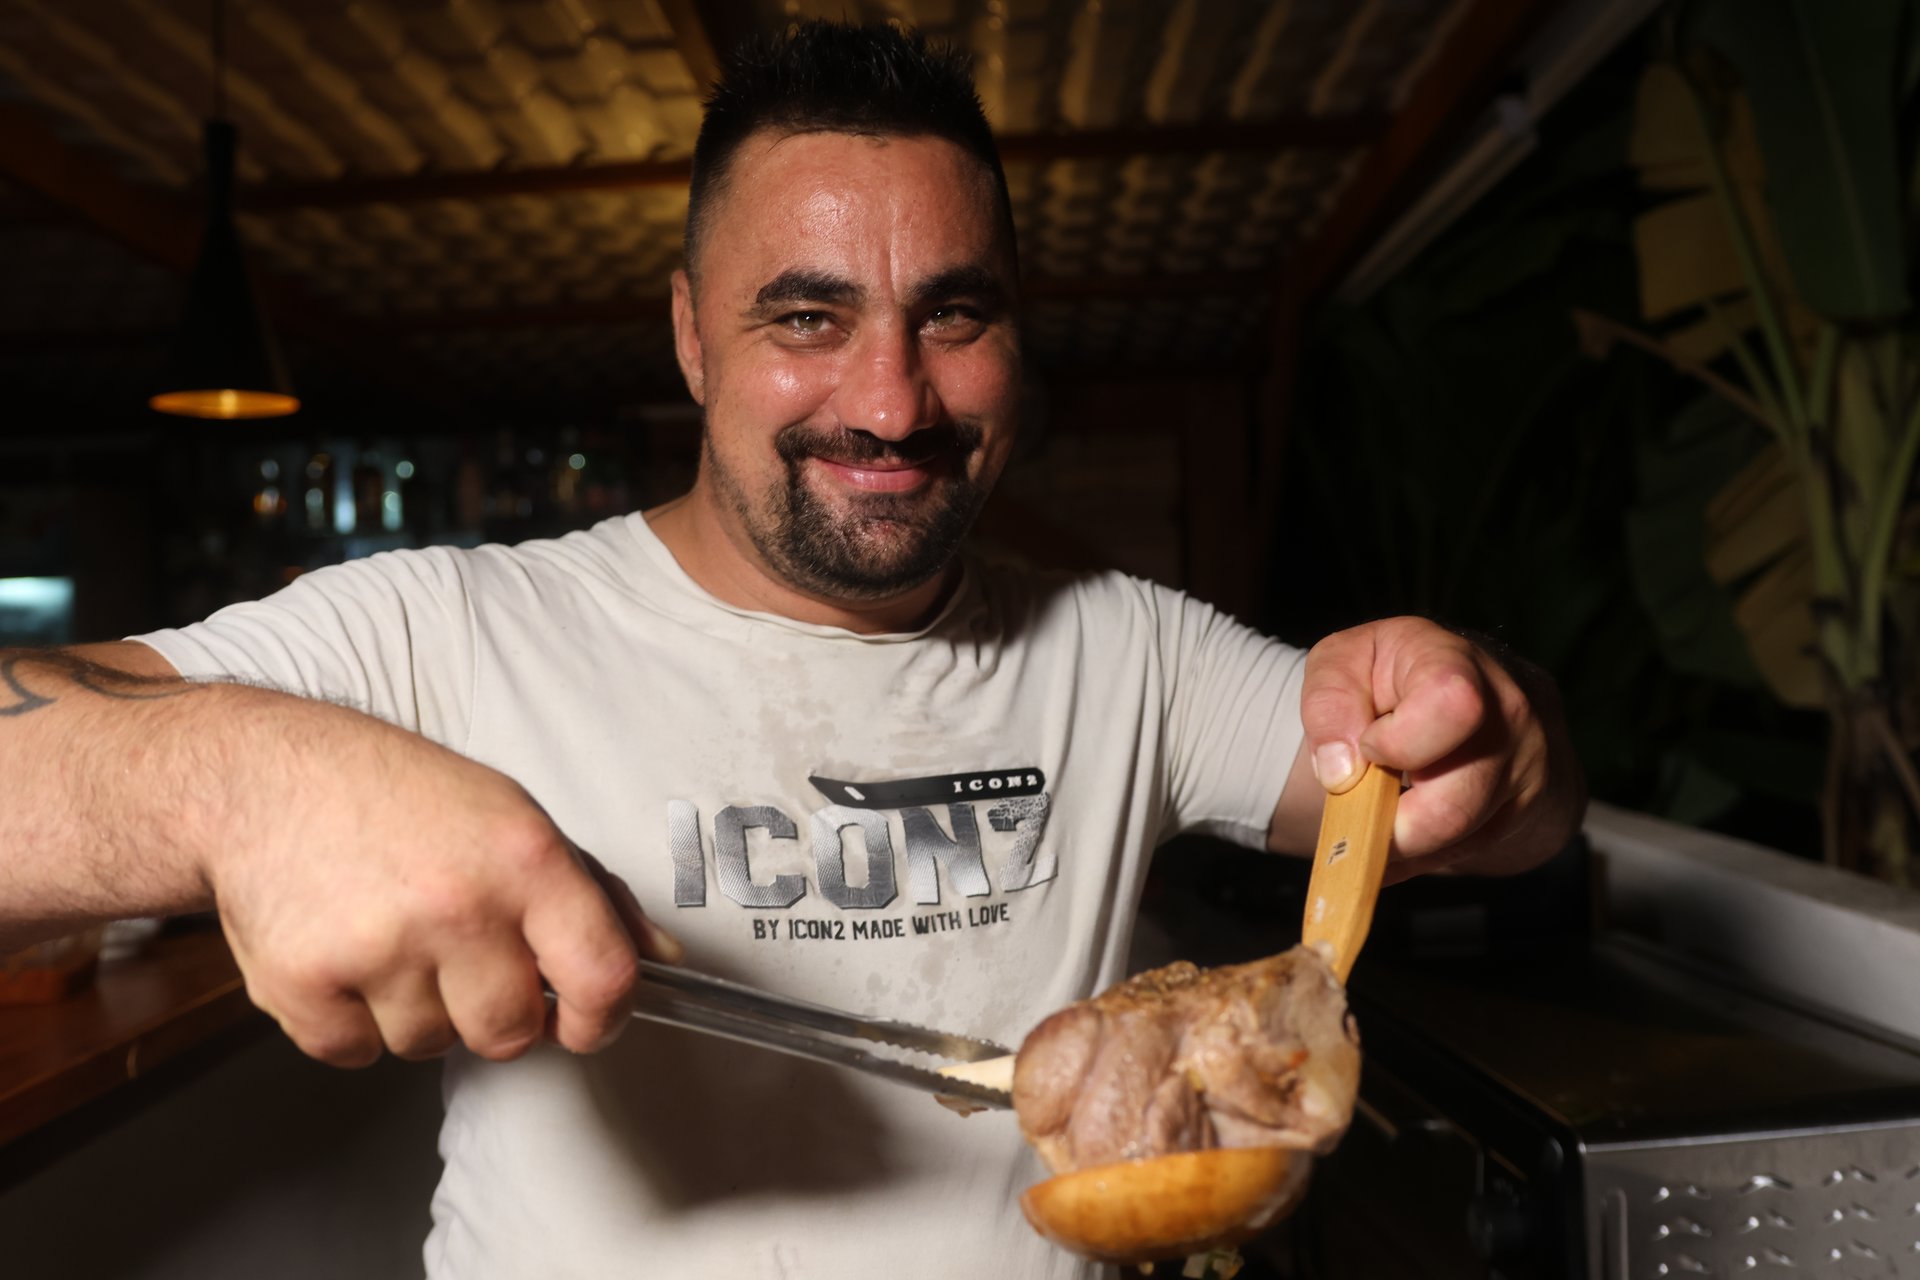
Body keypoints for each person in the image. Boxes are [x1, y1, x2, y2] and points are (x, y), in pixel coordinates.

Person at [0, 21, 1584, 1278]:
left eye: (953, 315)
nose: (891, 403)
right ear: (693, 336)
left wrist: (1491, 734)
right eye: (807, 318)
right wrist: (254, 780)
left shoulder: (1129, 650)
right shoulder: (454, 631)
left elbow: (1494, 812)